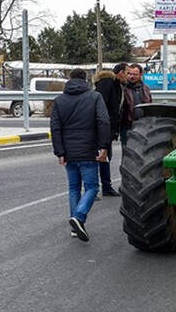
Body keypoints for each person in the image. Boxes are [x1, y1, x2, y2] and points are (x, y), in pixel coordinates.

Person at [50, 68, 110, 242]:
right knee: (92, 187)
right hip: (88, 150)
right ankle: (79, 216)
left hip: (68, 152)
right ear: (86, 80)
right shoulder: (95, 97)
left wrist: (59, 152)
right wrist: (103, 146)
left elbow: (55, 127)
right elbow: (103, 121)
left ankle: (76, 227)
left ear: (69, 79)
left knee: (74, 188)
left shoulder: (59, 100)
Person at [92, 63, 129, 197]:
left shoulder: (118, 85)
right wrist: (104, 125)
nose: (128, 76)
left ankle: (106, 187)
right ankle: (96, 188)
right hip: (102, 127)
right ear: (120, 73)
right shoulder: (107, 83)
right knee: (102, 156)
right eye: (127, 72)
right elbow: (101, 106)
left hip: (109, 127)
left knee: (106, 156)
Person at [122, 63, 152, 146]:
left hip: (144, 124)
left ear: (140, 74)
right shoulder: (123, 88)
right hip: (127, 126)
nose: (131, 76)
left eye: (135, 74)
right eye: (129, 74)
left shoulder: (146, 89)